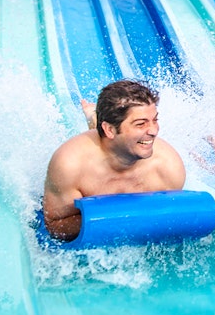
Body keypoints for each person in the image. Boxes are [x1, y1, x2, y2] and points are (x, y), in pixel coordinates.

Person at [44, 80, 185, 241]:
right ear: (109, 129)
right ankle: (93, 118)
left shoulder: (168, 166)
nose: (154, 131)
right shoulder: (70, 164)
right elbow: (55, 225)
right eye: (141, 124)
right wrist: (120, 220)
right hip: (102, 145)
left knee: (113, 143)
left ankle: (95, 119)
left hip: (111, 141)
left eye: (155, 120)